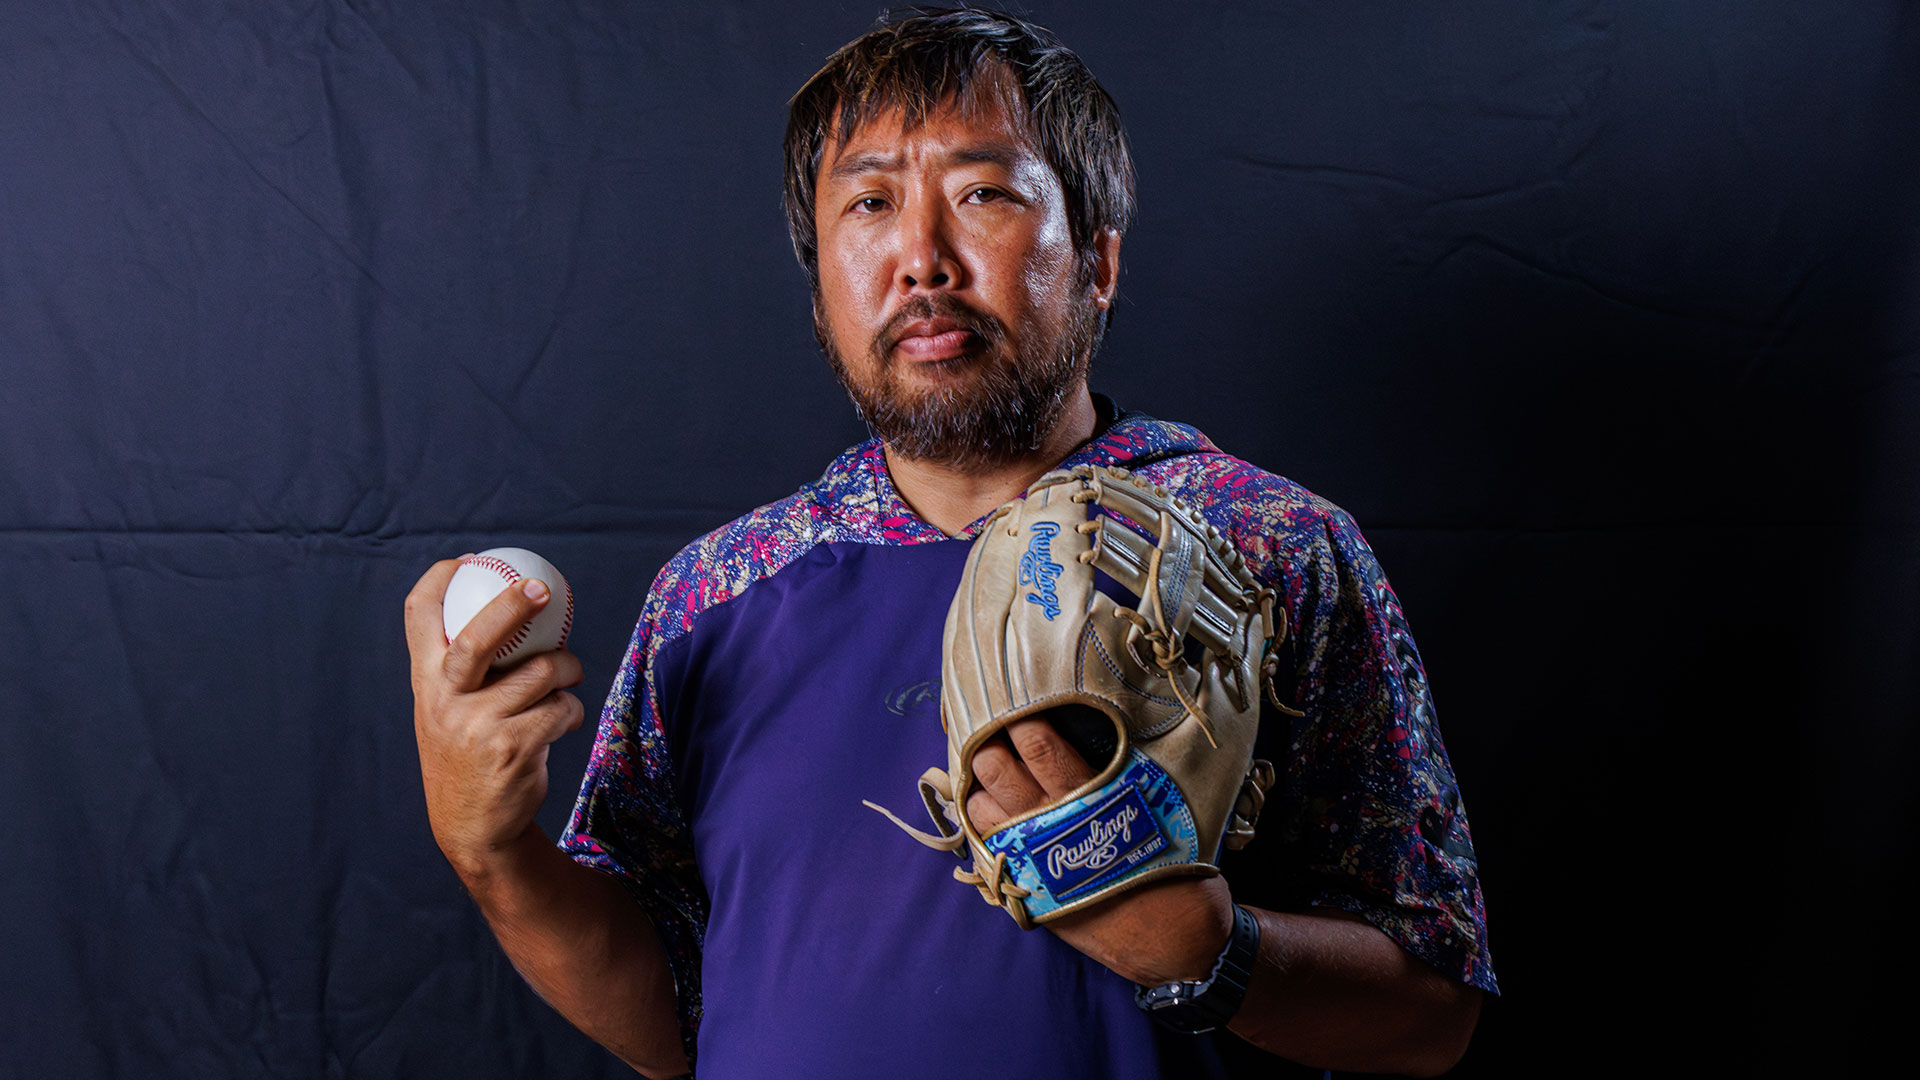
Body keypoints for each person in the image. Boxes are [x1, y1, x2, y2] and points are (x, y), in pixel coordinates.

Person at [405, 9, 1496, 1078]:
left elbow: (1432, 1015)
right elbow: (672, 1022)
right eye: (870, 203)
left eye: (983, 194)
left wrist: (1213, 957)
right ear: (820, 287)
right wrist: (492, 852)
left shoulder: (1272, 547)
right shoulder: (714, 593)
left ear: (1098, 260)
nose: (922, 260)